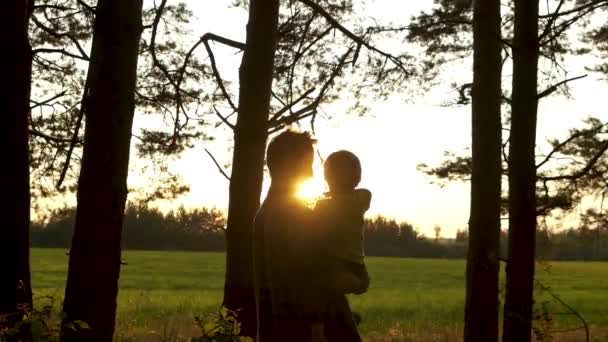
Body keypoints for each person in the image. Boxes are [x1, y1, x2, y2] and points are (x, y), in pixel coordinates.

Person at [252, 130, 361, 342]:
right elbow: (302, 278)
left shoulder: (266, 213)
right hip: (305, 332)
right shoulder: (289, 214)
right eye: (307, 165)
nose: (311, 174)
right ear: (288, 165)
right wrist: (317, 325)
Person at [314, 150, 372, 296]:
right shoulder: (325, 204)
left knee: (360, 284)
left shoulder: (362, 196)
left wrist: (333, 195)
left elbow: (343, 203)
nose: (358, 174)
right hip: (338, 260)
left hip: (352, 262)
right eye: (354, 169)